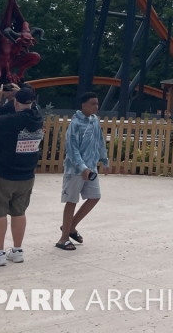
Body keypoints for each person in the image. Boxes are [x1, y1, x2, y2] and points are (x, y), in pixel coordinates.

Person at [0, 86, 44, 267]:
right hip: (27, 174)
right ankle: (17, 250)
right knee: (19, 212)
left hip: (5, 172)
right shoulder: (37, 118)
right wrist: (22, 91)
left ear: (15, 102)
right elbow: (31, 105)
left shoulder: (13, 120)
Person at [57, 92, 109, 251]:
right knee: (71, 201)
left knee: (95, 197)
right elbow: (72, 149)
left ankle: (71, 227)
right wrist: (82, 167)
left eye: (97, 103)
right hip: (75, 170)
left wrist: (104, 160)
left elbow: (100, 141)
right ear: (83, 105)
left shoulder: (95, 120)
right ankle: (63, 238)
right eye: (92, 103)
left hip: (91, 167)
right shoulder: (75, 124)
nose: (96, 106)